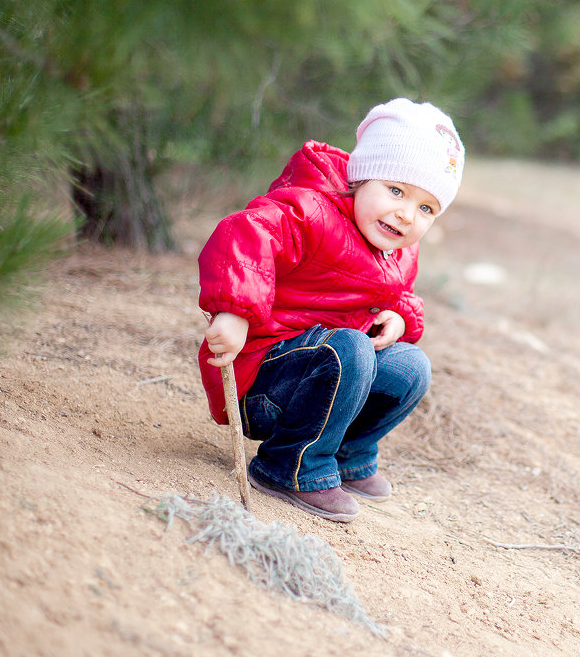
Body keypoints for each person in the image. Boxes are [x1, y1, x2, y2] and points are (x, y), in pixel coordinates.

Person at [197, 98, 464, 523]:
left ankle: (346, 456)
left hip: (329, 378)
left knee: (412, 365)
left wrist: (399, 318)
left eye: (425, 207)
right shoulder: (312, 212)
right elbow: (246, 234)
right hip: (264, 380)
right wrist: (235, 311)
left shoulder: (398, 249)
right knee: (350, 349)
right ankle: (290, 467)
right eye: (395, 190)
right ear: (361, 177)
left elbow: (399, 295)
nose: (406, 214)